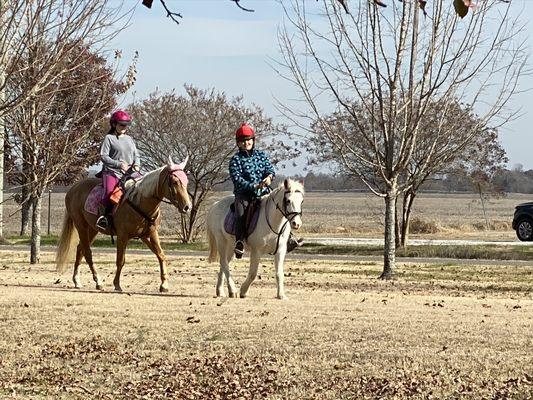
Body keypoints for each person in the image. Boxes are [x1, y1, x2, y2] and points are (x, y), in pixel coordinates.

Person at [229, 123, 302, 258]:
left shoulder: (261, 155)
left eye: (248, 140)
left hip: (264, 191)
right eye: (243, 141)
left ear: (253, 140)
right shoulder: (235, 160)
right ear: (238, 143)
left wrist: (269, 177)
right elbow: (236, 178)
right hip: (244, 194)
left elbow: (270, 169)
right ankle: (239, 242)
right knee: (240, 213)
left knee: (281, 205)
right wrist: (253, 186)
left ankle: (290, 237)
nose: (246, 143)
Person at [96, 110, 140, 230]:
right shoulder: (108, 138)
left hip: (130, 173)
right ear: (114, 124)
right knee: (110, 193)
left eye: (125, 125)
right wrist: (118, 164)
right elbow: (103, 156)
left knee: (143, 189)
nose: (124, 127)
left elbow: (136, 154)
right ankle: (104, 218)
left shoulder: (129, 139)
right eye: (121, 124)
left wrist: (137, 164)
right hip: (112, 172)